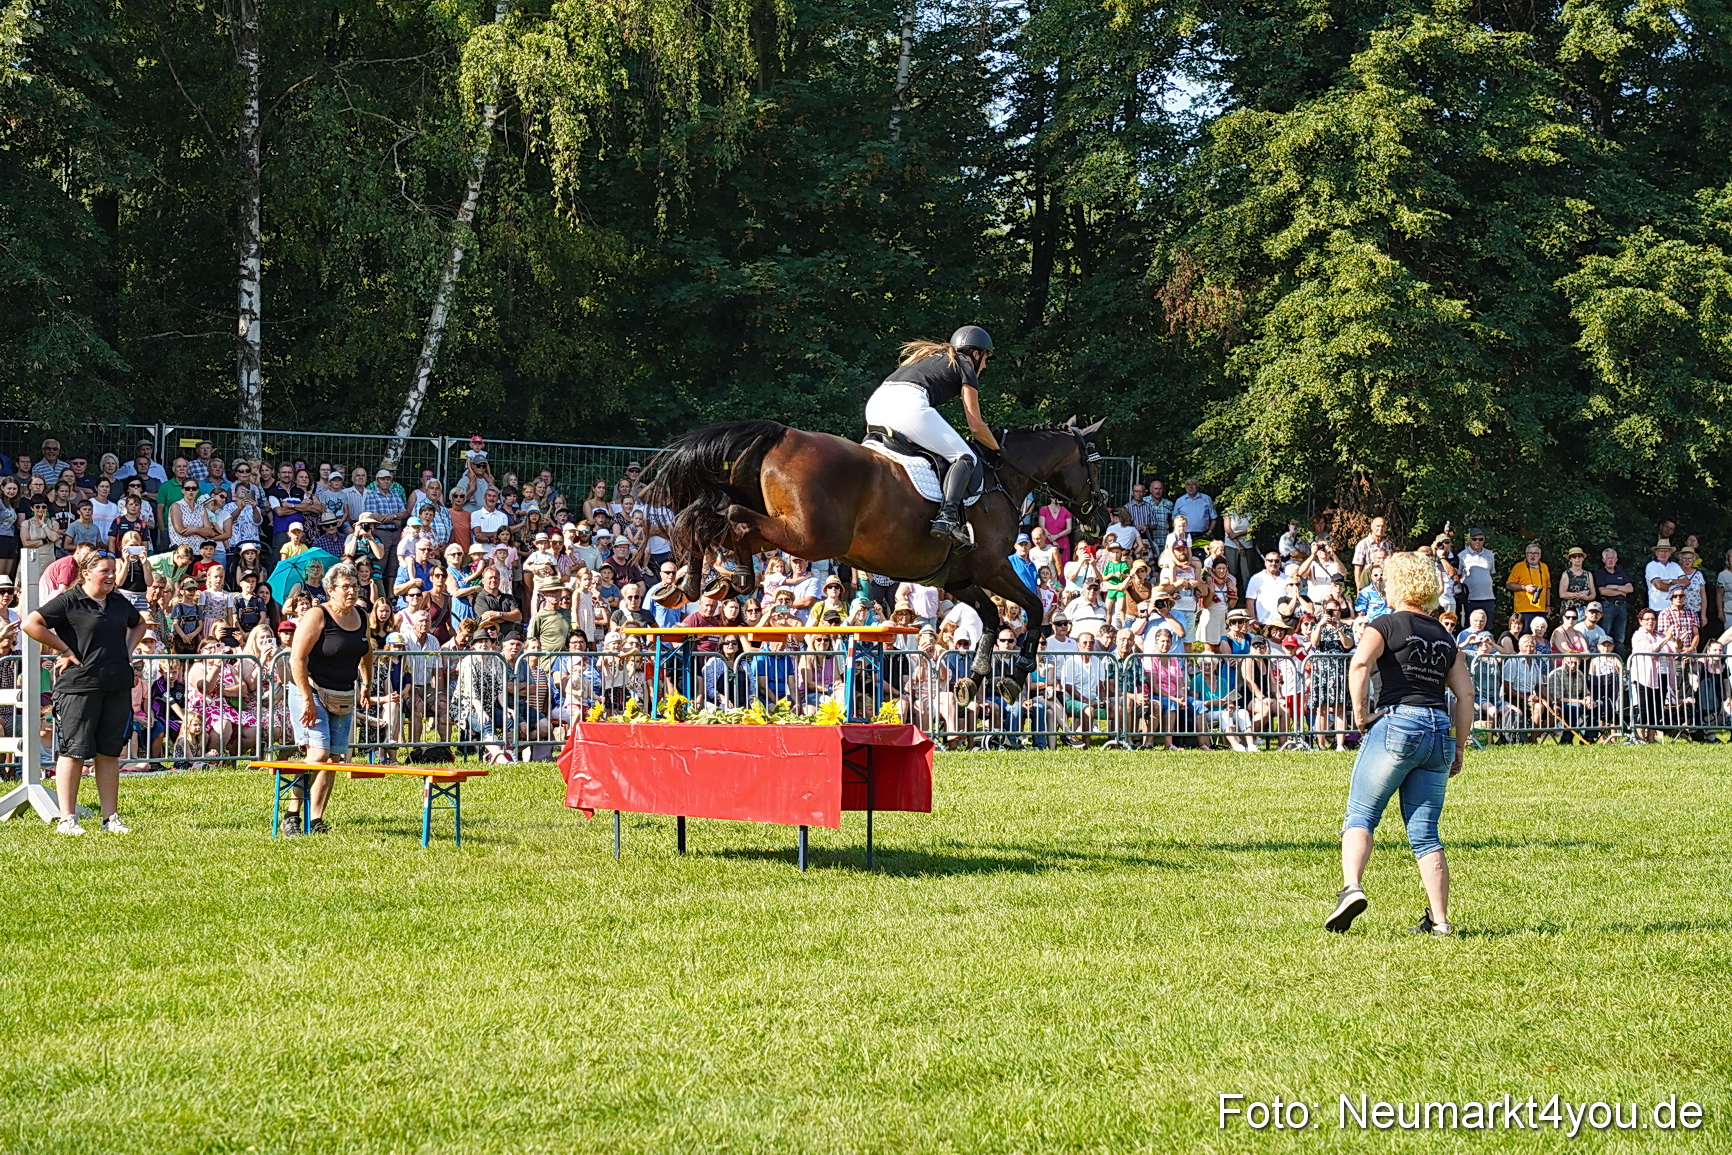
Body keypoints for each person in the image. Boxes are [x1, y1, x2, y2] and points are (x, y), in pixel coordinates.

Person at [1326, 551, 1473, 937]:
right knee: (1426, 832)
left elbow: (1359, 665)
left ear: (1398, 584)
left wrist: (1360, 716)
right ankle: (1440, 922)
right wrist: (1459, 747)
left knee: (1361, 814)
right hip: (1438, 729)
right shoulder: (1445, 636)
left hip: (1398, 721)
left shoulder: (1386, 624)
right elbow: (1466, 695)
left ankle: (1352, 888)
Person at [22, 551, 147, 835]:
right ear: (86, 573)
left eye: (114, 571)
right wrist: (64, 649)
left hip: (116, 685)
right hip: (78, 687)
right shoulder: (69, 600)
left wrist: (127, 649)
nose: (112, 576)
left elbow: (139, 623)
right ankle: (67, 820)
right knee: (73, 752)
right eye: (105, 571)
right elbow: (31, 623)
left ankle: (110, 819)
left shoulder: (118, 601)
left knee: (109, 752)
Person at [864, 327, 1000, 546]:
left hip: (875, 405)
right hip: (907, 405)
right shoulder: (965, 365)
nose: (984, 365)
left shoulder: (932, 358)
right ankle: (947, 518)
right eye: (985, 358)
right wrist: (997, 449)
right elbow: (976, 426)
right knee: (965, 457)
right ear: (976, 353)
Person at [284, 562, 374, 834]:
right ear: (330, 590)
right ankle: (292, 814)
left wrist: (367, 684)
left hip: (344, 693)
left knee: (334, 758)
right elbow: (297, 658)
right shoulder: (317, 615)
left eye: (354, 586)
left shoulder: (361, 615)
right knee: (319, 753)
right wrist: (307, 699)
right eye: (345, 587)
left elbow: (366, 651)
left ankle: (316, 819)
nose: (351, 591)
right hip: (311, 690)